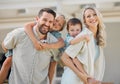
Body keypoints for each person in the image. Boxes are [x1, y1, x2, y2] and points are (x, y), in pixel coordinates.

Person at [0, 14, 66, 84]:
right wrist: (35, 42)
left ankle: (49, 82)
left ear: (60, 29)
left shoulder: (55, 34)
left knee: (53, 64)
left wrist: (47, 46)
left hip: (48, 52)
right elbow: (27, 26)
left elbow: (61, 43)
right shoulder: (42, 24)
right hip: (28, 45)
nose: (56, 24)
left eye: (59, 25)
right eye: (56, 21)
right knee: (7, 62)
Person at [61, 6, 106, 84]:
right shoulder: (83, 36)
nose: (92, 17)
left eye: (94, 14)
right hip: (73, 79)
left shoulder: (98, 38)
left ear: (99, 16)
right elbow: (65, 57)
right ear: (85, 21)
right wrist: (83, 76)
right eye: (88, 16)